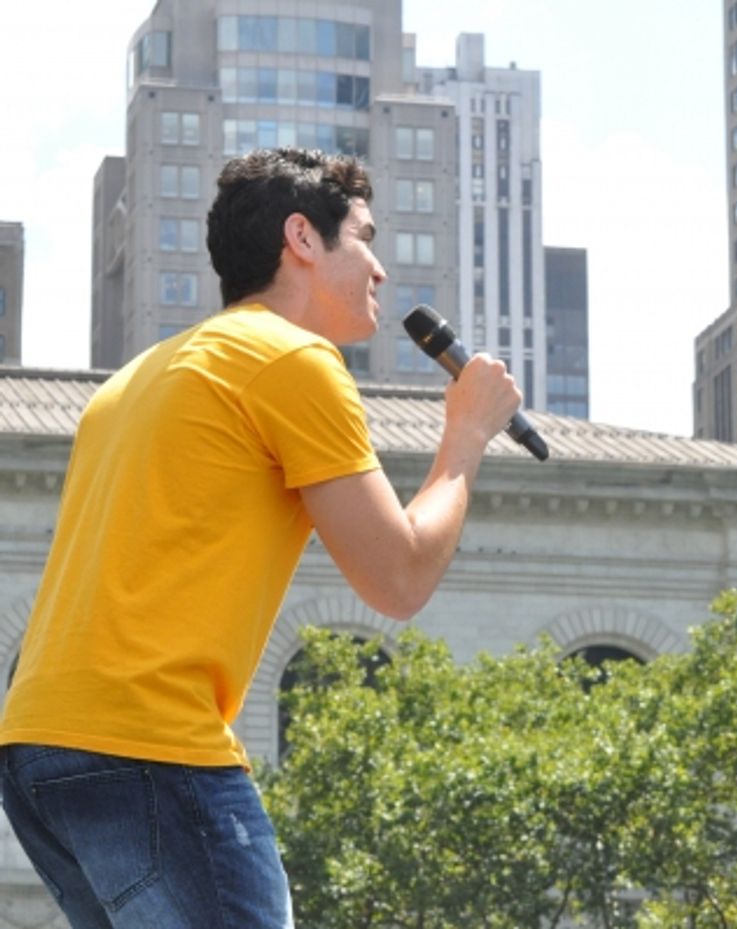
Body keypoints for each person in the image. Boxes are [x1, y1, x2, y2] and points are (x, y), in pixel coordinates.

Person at [0, 148, 522, 929]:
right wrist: (467, 435)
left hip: (38, 748)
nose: (379, 270)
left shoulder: (136, 378)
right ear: (303, 238)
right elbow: (400, 579)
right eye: (365, 238)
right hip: (152, 743)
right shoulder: (293, 357)